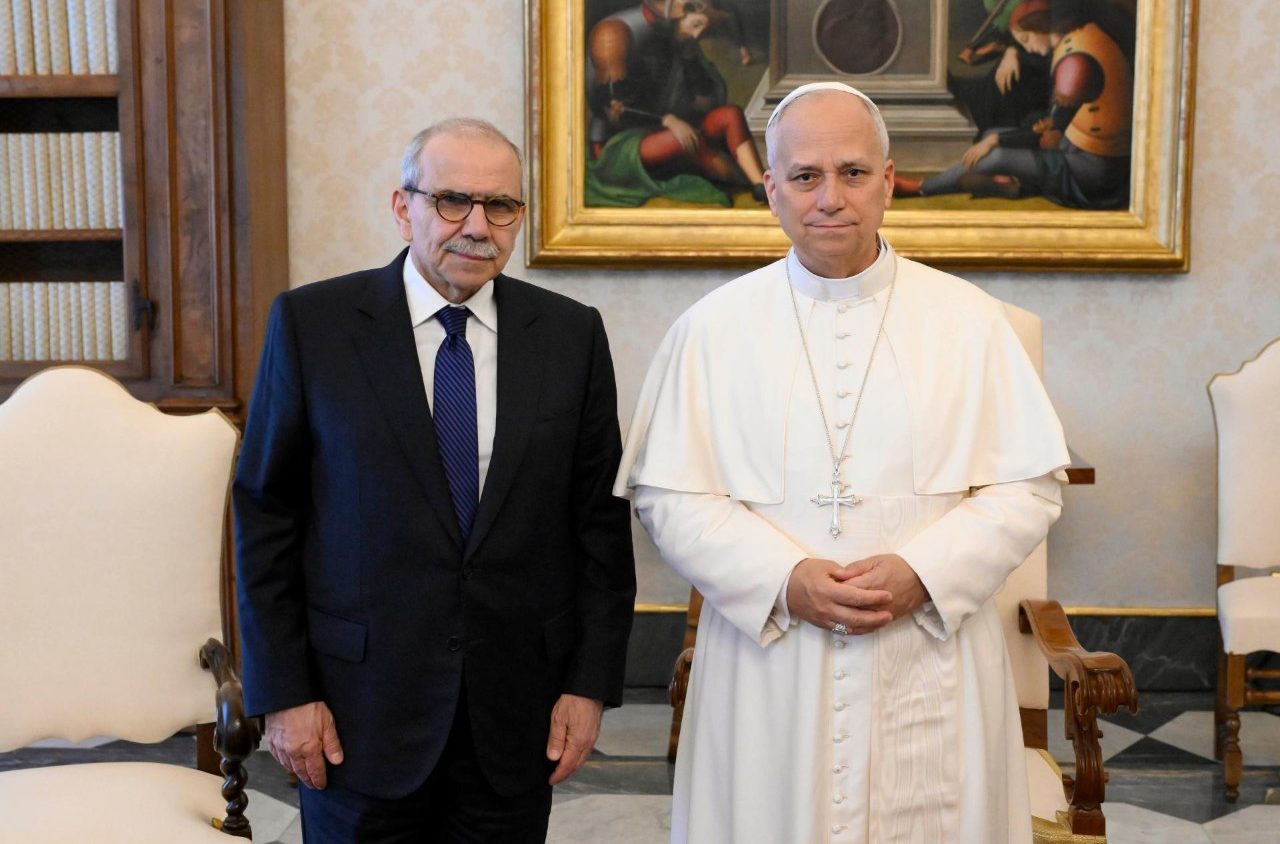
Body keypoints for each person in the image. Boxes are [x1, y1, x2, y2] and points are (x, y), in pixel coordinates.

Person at [616, 83, 1071, 843]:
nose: (830, 197)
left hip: (928, 651)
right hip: (770, 664)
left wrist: (924, 571)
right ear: (771, 189)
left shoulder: (971, 323)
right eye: (806, 176)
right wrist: (783, 579)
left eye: (853, 173)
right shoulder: (711, 330)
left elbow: (1026, 486)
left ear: (888, 183)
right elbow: (668, 495)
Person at [234, 118, 636, 842]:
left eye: (500, 206)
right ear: (403, 207)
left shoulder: (571, 335)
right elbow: (267, 517)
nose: (477, 227)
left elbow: (599, 527)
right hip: (356, 715)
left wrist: (589, 685)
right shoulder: (313, 325)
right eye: (453, 201)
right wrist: (284, 693)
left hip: (516, 717)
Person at [897, 0, 1134, 209]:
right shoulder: (1079, 37)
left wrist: (996, 141)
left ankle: (921, 187)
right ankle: (1015, 183)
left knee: (996, 154)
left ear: (1042, 25)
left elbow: (1050, 136)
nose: (1027, 48)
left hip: (1092, 173)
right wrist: (996, 137)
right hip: (1078, 147)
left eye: (1026, 39)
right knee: (991, 135)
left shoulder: (1074, 64)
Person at [585, 0, 767, 207]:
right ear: (679, 11)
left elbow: (704, 104)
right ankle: (738, 180)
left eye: (703, 31)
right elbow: (613, 109)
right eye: (697, 24)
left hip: (666, 131)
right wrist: (668, 120)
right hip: (617, 146)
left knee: (730, 114)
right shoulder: (614, 33)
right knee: (688, 142)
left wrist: (690, 59)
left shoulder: (680, 38)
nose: (697, 36)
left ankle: (759, 184)